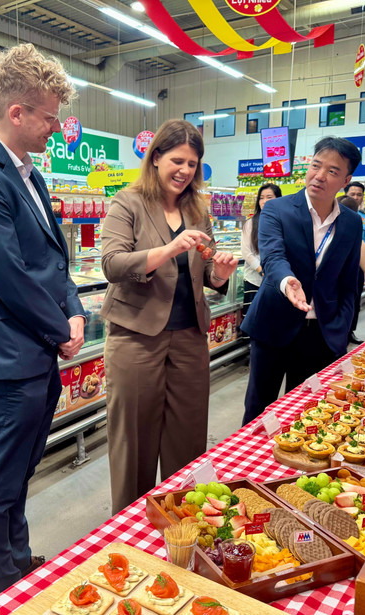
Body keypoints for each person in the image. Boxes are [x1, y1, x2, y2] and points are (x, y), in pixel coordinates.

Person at [0, 44, 85, 598]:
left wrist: (75, 309)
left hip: (38, 348)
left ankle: (20, 557)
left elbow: (51, 258)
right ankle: (4, 584)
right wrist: (61, 330)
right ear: (18, 112)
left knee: (22, 467)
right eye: (50, 116)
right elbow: (10, 276)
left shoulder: (28, 172)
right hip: (9, 355)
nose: (57, 126)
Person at [100, 119, 238, 513]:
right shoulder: (128, 202)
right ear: (156, 157)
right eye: (177, 160)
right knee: (134, 445)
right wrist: (170, 248)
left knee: (188, 440)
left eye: (193, 164)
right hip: (136, 339)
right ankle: (129, 528)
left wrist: (220, 274)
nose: (184, 170)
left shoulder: (198, 208)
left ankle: (182, 520)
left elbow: (205, 271)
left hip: (190, 338)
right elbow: (112, 263)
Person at [241, 137, 363, 426]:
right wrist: (287, 281)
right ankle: (249, 470)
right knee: (259, 408)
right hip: (274, 323)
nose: (319, 176)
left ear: (346, 179)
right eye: (316, 166)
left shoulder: (351, 222)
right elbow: (272, 256)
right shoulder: (277, 209)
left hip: (320, 331)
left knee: (307, 411)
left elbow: (349, 280)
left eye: (332, 171)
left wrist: (343, 326)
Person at [240, 183, 281, 318]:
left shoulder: (284, 222)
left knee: (271, 319)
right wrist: (262, 270)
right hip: (254, 279)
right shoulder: (251, 224)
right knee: (253, 317)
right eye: (261, 198)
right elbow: (247, 252)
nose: (264, 201)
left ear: (278, 199)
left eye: (269, 197)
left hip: (276, 279)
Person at [343, 182, 365, 343]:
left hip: (358, 264)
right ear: (345, 194)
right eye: (352, 194)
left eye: (359, 194)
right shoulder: (334, 213)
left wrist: (360, 247)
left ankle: (350, 332)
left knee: (355, 299)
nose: (356, 197)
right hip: (338, 265)